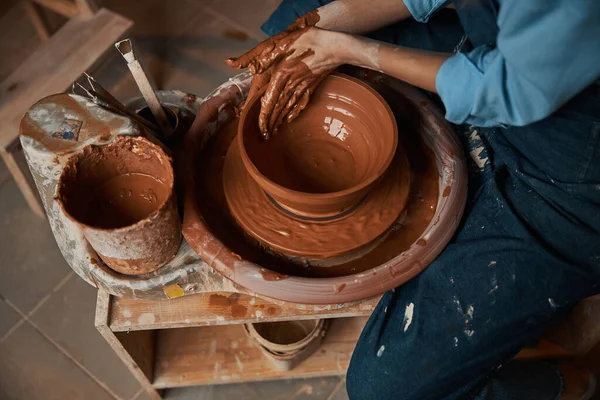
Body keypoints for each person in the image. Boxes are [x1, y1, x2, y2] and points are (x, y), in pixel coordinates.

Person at [226, 1, 600, 398]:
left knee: (384, 392)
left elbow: (508, 90)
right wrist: (323, 30)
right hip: (505, 65)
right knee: (293, 31)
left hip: (567, 182)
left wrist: (350, 50)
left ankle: (566, 387)